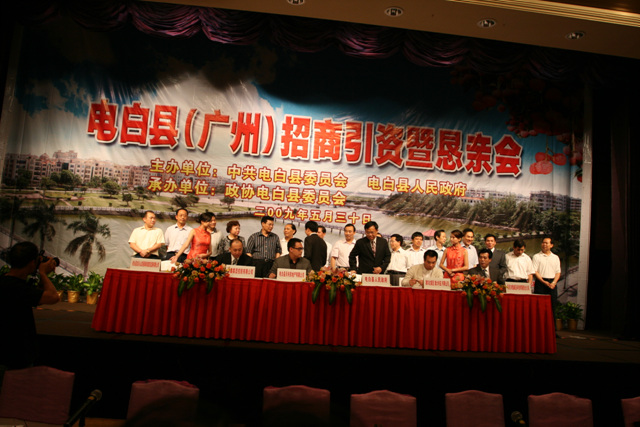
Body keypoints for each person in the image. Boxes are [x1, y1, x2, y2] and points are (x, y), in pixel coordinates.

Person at [0, 242, 60, 369]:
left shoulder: (6, 282)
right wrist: (43, 273)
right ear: (32, 263)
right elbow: (53, 297)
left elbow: (37, 297)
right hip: (16, 355)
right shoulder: (18, 289)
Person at [532, 237, 562, 325]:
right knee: (539, 307)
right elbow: (535, 271)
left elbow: (558, 272)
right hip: (540, 283)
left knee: (552, 307)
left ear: (551, 245)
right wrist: (543, 282)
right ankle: (539, 327)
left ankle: (553, 329)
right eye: (543, 243)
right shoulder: (536, 256)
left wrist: (554, 282)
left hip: (552, 283)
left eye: (546, 243)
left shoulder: (555, 257)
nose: (544, 244)